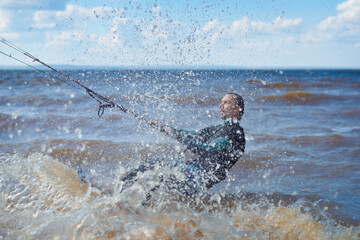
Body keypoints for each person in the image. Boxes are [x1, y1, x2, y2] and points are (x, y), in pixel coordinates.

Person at [120, 93, 246, 196]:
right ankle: (120, 196)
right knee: (147, 165)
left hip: (196, 180)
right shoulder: (220, 128)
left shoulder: (234, 132)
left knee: (154, 178)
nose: (220, 106)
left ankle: (125, 205)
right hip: (188, 171)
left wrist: (177, 136)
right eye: (221, 102)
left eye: (226, 103)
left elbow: (207, 150)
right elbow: (191, 134)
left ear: (237, 108)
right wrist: (164, 127)